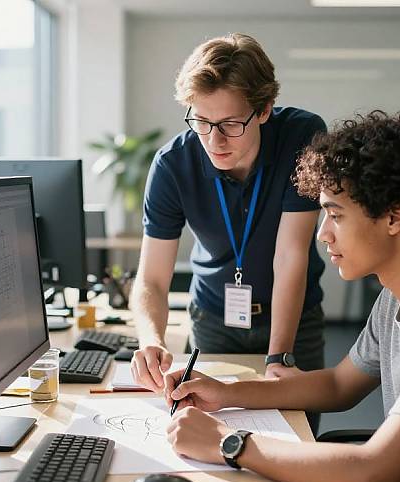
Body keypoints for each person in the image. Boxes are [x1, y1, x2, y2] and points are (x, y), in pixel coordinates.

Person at [163, 111, 400, 482]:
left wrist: (226, 443)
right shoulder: (398, 294)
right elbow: (340, 385)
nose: (322, 233)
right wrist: (227, 394)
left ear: (394, 217)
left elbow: (373, 480)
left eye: (336, 214)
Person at [130, 34, 327, 431]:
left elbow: (290, 254)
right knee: (208, 437)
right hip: (214, 320)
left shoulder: (301, 137)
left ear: (265, 109)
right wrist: (152, 340)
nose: (214, 140)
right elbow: (151, 277)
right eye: (201, 121)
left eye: (231, 124)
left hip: (291, 321)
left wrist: (279, 357)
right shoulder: (173, 165)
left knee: (295, 439)